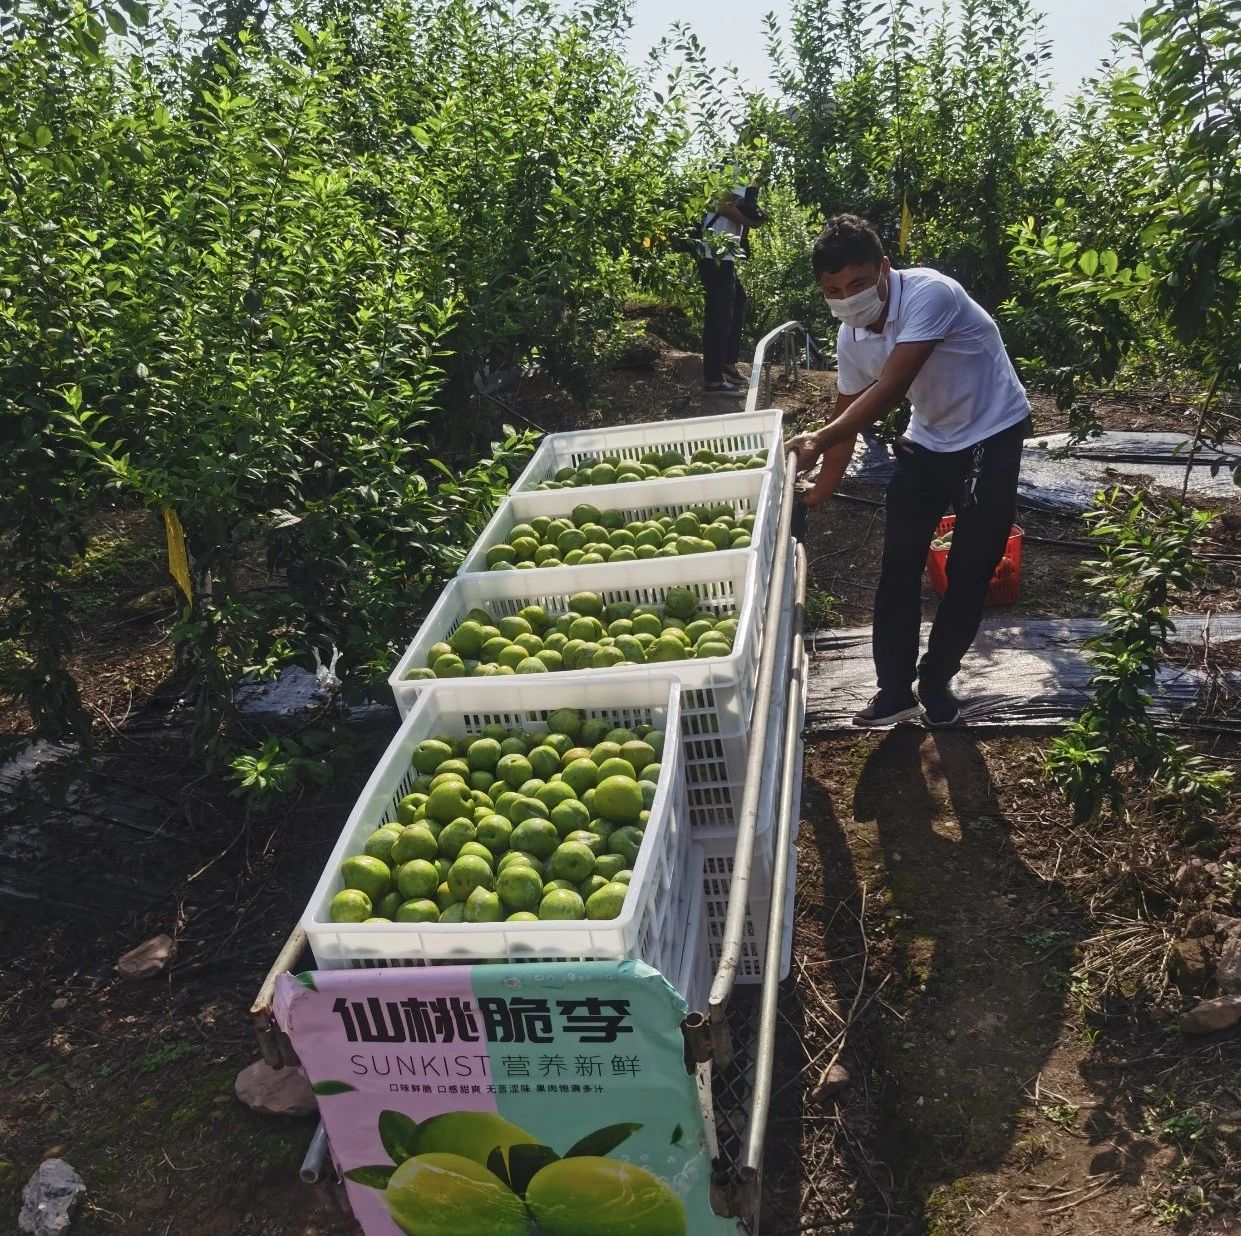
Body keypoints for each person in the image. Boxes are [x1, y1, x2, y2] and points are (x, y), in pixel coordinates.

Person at [789, 214, 1032, 728]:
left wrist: (819, 440)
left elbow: (893, 387)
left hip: (991, 430)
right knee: (898, 563)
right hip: (930, 436)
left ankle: (938, 678)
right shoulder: (852, 337)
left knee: (970, 570)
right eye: (833, 289)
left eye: (857, 283)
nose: (847, 297)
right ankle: (894, 690)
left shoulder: (930, 294)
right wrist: (822, 486)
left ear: (884, 269)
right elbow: (845, 412)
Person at [697, 182, 765, 395]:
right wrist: (749, 222)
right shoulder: (735, 165)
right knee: (720, 314)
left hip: (723, 253)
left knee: (737, 301)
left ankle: (727, 364)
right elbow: (721, 205)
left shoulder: (744, 167)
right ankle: (714, 380)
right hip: (714, 252)